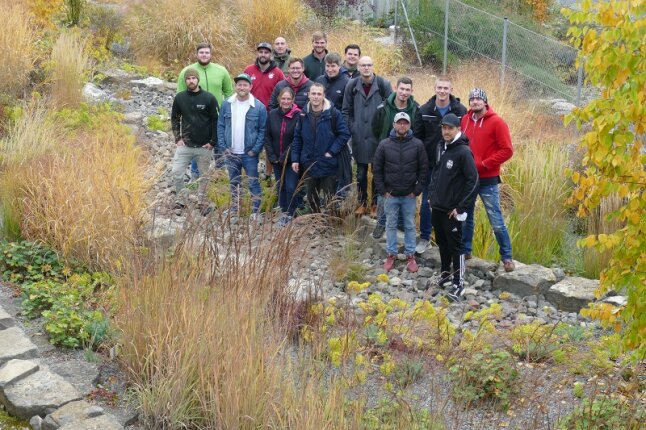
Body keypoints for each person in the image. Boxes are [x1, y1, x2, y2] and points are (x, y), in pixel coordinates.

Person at [460, 88, 515, 272]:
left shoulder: (497, 122)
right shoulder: (465, 120)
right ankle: (465, 250)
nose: (475, 101)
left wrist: (484, 164)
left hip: (488, 179)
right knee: (465, 217)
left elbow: (507, 150)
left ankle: (507, 257)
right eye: (472, 99)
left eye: (478, 99)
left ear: (485, 102)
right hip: (467, 178)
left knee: (496, 219)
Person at [413, 76, 467, 254]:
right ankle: (425, 237)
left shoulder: (460, 110)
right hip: (430, 165)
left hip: (454, 166)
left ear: (451, 89)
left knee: (453, 202)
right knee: (428, 201)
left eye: (446, 88)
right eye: (439, 87)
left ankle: (452, 240)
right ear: (434, 88)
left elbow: (465, 137)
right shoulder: (425, 110)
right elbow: (418, 139)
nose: (442, 91)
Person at [429, 113, 479, 301]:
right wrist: (431, 197)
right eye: (444, 127)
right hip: (438, 207)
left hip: (453, 210)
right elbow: (436, 172)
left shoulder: (463, 152)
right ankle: (445, 275)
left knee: (456, 247)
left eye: (450, 128)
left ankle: (459, 284)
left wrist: (461, 207)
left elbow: (473, 181)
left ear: (458, 129)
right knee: (442, 243)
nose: (446, 131)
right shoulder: (441, 146)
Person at [373, 112, 428, 273]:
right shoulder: (384, 144)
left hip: (409, 195)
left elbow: (423, 169)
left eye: (405, 123)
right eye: (399, 123)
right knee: (390, 224)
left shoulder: (418, 145)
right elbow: (377, 169)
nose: (402, 126)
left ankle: (410, 255)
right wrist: (382, 190)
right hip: (390, 194)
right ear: (394, 125)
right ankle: (391, 254)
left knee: (410, 225)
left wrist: (417, 190)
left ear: (409, 126)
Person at [342, 56, 393, 216]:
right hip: (359, 137)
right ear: (358, 67)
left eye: (369, 65)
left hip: (378, 137)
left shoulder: (383, 84)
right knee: (361, 173)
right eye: (363, 65)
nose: (366, 68)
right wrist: (352, 128)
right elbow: (346, 110)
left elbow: (390, 109)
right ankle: (362, 203)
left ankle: (375, 205)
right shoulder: (352, 85)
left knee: (377, 172)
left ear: (373, 66)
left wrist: (385, 131)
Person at [371, 77, 419, 238]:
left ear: (411, 91)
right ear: (396, 89)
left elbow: (417, 131)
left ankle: (400, 223)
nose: (404, 92)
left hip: (407, 155)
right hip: (386, 154)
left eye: (407, 90)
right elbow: (375, 129)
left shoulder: (416, 109)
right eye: (402, 89)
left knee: (405, 191)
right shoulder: (383, 108)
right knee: (382, 190)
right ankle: (381, 223)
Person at [177, 42, 234, 179]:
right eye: (201, 52)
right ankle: (196, 177)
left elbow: (229, 93)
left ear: (211, 54)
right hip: (196, 120)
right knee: (198, 148)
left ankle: (219, 174)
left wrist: (227, 113)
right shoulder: (187, 72)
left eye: (207, 52)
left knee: (220, 146)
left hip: (218, 117)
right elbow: (180, 96)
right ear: (197, 54)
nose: (204, 55)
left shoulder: (221, 71)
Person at [291, 83, 350, 213]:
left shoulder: (333, 113)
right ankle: (314, 224)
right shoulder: (303, 114)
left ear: (324, 96)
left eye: (319, 94)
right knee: (312, 198)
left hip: (327, 163)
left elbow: (344, 134)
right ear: (308, 95)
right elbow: (297, 138)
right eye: (313, 93)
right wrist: (295, 159)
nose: (316, 97)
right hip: (309, 163)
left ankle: (330, 225)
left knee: (330, 198)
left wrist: (331, 151)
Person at [217, 73, 267, 221]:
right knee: (234, 182)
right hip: (231, 152)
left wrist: (255, 150)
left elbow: (263, 130)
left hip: (249, 154)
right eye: (239, 84)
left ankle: (255, 212)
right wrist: (224, 147)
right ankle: (234, 210)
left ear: (250, 87)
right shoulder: (227, 104)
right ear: (236, 86)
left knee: (253, 182)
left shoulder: (258, 107)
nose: (242, 87)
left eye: (245, 84)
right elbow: (220, 125)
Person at [170, 68, 218, 214]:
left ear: (198, 80)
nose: (191, 81)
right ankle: (181, 199)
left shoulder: (209, 98)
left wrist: (212, 142)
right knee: (176, 172)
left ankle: (201, 202)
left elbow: (216, 120)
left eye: (193, 78)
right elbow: (175, 118)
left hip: (204, 146)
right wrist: (177, 138)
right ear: (185, 81)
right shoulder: (180, 98)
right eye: (188, 78)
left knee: (204, 176)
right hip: (185, 145)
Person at [315, 53, 351, 196]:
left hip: (338, 129)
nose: (330, 69)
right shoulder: (319, 80)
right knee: (323, 159)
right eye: (328, 66)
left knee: (339, 162)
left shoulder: (347, 81)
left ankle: (340, 195)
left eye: (333, 66)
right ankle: (324, 194)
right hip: (320, 128)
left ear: (339, 66)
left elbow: (348, 107)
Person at [264, 87, 301, 226]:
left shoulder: (298, 115)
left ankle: (291, 213)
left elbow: (297, 139)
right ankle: (285, 212)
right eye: (283, 99)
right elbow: (267, 136)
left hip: (291, 160)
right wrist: (272, 156)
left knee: (291, 186)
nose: (285, 101)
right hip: (275, 159)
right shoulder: (272, 114)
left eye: (288, 99)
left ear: (293, 100)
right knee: (281, 186)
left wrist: (284, 156)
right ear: (279, 100)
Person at [244, 42, 285, 110]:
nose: (263, 55)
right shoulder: (248, 70)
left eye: (266, 52)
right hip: (250, 111)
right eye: (261, 52)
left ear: (271, 54)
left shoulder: (278, 73)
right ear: (257, 53)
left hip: (269, 113)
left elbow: (284, 92)